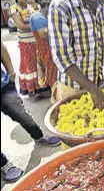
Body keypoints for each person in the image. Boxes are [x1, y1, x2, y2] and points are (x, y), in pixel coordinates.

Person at [1, 42, 61, 183]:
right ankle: (3, 164)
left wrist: (11, 73)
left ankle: (39, 137)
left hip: (2, 85)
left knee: (21, 114)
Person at [10, 0, 41, 96]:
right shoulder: (14, 8)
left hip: (37, 41)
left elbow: (40, 16)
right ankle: (31, 89)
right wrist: (39, 25)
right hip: (26, 43)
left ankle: (40, 87)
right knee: (29, 66)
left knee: (38, 65)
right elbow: (21, 26)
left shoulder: (30, 7)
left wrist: (34, 5)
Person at [30, 0, 58, 94]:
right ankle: (53, 89)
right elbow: (43, 34)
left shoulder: (44, 17)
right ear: (46, 6)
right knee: (51, 68)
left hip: (47, 47)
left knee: (50, 68)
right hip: (45, 48)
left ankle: (51, 87)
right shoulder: (38, 17)